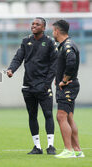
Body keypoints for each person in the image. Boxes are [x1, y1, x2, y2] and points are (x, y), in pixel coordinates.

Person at [6, 17, 57, 155]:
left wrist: (46, 84)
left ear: (43, 27)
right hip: (28, 85)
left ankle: (50, 146)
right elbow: (18, 57)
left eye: (37, 24)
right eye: (33, 24)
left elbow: (54, 65)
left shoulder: (50, 42)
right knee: (32, 115)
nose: (33, 26)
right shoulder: (25, 41)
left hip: (43, 86)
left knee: (48, 114)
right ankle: (37, 147)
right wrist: (11, 69)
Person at [52, 20, 85, 158]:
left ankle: (68, 150)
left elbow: (71, 63)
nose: (52, 33)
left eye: (53, 30)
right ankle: (77, 150)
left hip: (68, 86)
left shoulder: (67, 46)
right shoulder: (64, 45)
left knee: (61, 116)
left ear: (57, 31)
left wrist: (64, 80)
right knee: (69, 118)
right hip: (69, 86)